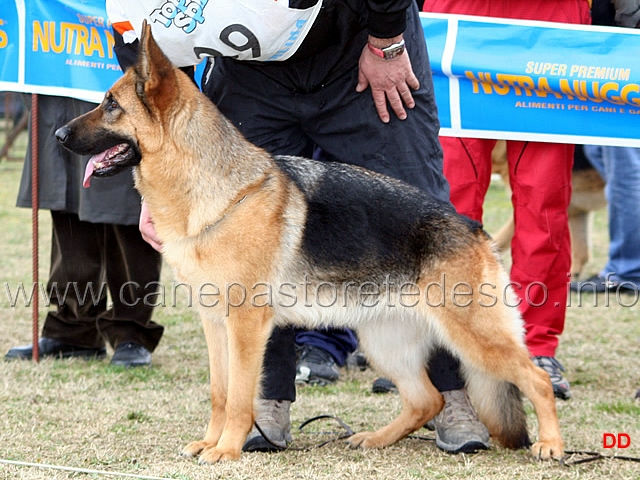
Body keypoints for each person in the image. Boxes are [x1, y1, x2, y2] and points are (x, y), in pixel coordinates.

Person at [109, 0, 489, 454]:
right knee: (247, 245)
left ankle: (450, 396)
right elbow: (157, 81)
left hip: (359, 41)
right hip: (250, 71)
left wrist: (386, 41)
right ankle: (263, 401)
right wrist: (172, 185)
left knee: (419, 217)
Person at [422, 0, 593, 401]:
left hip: (552, 27)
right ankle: (445, 343)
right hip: (458, 21)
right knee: (448, 203)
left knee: (544, 204)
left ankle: (536, 344)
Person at [5, 95, 164, 367]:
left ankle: (131, 330)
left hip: (109, 75)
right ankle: (74, 328)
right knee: (67, 195)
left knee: (124, 204)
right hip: (60, 75)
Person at [570, 0, 640, 297]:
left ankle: (627, 271)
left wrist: (624, 46)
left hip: (622, 52)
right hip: (612, 52)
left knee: (624, 168)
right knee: (602, 152)